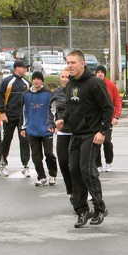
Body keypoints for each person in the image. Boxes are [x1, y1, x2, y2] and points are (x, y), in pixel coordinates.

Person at [55, 49, 113, 228]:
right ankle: (81, 210)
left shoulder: (95, 83)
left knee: (86, 170)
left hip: (91, 134)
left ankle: (99, 207)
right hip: (76, 134)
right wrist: (63, 118)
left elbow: (107, 108)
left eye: (73, 63)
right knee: (74, 171)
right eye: (68, 63)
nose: (69, 66)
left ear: (82, 64)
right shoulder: (71, 84)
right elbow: (70, 107)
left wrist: (102, 131)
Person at [20, 71, 57, 187]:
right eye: (34, 79)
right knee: (36, 155)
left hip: (47, 130)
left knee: (49, 153)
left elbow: (54, 110)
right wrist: (23, 127)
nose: (36, 81)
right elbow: (23, 112)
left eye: (38, 79)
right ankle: (41, 177)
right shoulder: (26, 95)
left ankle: (52, 174)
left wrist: (53, 125)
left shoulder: (48, 94)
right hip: (32, 129)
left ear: (42, 81)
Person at [0, 60, 30, 177]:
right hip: (9, 116)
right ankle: (3, 163)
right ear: (17, 68)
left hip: (22, 118)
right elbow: (0, 96)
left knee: (25, 141)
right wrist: (2, 112)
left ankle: (25, 165)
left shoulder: (26, 82)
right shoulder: (7, 81)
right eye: (24, 67)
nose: (25, 69)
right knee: (7, 140)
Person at [49, 68, 73, 204]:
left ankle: (81, 190)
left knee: (75, 166)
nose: (64, 79)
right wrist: (51, 123)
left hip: (76, 132)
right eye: (62, 77)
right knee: (63, 163)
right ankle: (70, 191)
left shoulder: (76, 91)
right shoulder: (57, 93)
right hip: (63, 132)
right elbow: (50, 109)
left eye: (67, 77)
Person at [94, 65, 122, 172]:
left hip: (107, 119)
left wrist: (115, 117)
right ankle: (98, 164)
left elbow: (117, 102)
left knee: (107, 142)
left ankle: (109, 162)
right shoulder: (92, 84)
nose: (100, 74)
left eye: (102, 72)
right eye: (98, 72)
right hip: (95, 119)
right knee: (96, 142)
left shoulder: (111, 85)